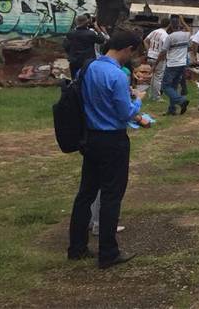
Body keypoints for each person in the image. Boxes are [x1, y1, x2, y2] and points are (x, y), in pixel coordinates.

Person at [67, 30, 150, 269]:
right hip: (113, 140)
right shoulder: (117, 76)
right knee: (112, 196)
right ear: (129, 49)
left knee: (86, 193)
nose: (132, 60)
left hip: (90, 137)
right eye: (134, 54)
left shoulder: (88, 68)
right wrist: (137, 100)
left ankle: (77, 247)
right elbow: (125, 113)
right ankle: (108, 252)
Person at [154, 16, 191, 115]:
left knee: (165, 86)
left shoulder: (170, 37)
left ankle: (181, 100)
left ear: (171, 26)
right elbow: (189, 30)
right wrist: (183, 21)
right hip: (182, 64)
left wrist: (155, 64)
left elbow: (163, 52)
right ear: (179, 25)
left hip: (172, 64)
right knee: (173, 87)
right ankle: (172, 109)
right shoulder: (186, 35)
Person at [143, 17, 169, 101]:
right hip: (158, 57)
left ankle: (151, 95)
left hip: (150, 56)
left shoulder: (154, 32)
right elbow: (164, 50)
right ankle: (156, 97)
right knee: (158, 77)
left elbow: (145, 40)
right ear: (169, 25)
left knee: (153, 77)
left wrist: (148, 50)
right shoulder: (165, 35)